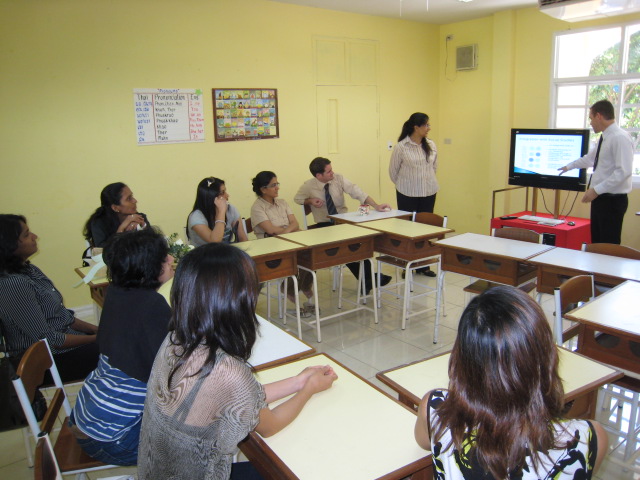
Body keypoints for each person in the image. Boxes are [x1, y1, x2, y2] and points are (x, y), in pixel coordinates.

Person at [138, 243, 337, 480]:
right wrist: (309, 390)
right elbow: (270, 425)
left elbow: (230, 398)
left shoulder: (176, 339)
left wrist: (298, 381)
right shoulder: (228, 371)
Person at [414, 286, 608, 479]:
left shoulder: (435, 410)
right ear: (545, 356)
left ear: (461, 358)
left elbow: (423, 442)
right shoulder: (588, 439)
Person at [69, 228, 173, 465]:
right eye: (164, 256)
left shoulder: (117, 292)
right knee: (205, 438)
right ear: (149, 265)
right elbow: (170, 377)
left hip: (86, 417)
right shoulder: (151, 305)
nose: (170, 260)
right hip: (114, 439)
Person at [0, 214, 99, 382]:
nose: (35, 237)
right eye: (26, 235)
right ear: (9, 246)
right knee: (124, 351)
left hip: (62, 346)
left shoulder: (28, 270)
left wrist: (98, 331)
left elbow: (64, 317)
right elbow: (50, 340)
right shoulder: (13, 284)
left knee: (124, 341)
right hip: (45, 361)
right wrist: (97, 339)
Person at [294, 157, 392, 294]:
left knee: (359, 243)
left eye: (332, 170)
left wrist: (376, 205)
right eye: (328, 172)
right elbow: (297, 199)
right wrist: (310, 200)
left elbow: (358, 192)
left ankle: (367, 280)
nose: (332, 173)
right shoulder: (308, 186)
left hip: (343, 221)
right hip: (324, 225)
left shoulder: (338, 179)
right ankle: (368, 280)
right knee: (345, 246)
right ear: (318, 175)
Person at [559, 100, 633, 244]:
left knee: (607, 245)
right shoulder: (605, 137)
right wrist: (569, 166)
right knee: (597, 243)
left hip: (612, 200)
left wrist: (596, 190)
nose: (591, 123)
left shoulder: (619, 137)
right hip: (601, 199)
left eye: (591, 118)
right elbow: (591, 159)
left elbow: (623, 172)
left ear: (599, 116)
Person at [251, 171, 315, 316]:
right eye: (273, 185)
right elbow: (271, 230)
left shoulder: (283, 202)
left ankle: (302, 285)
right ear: (263, 189)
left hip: (289, 239)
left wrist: (286, 232)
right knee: (299, 255)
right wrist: (288, 231)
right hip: (270, 245)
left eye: (277, 184)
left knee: (311, 252)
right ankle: (290, 289)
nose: (277, 187)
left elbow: (295, 222)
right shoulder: (257, 207)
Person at [389, 112, 439, 276]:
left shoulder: (431, 144)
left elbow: (434, 167)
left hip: (428, 191)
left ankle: (423, 265)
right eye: (425, 125)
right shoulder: (401, 147)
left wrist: (426, 181)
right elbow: (393, 172)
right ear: (415, 127)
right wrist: (407, 184)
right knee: (408, 229)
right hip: (407, 192)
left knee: (424, 227)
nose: (428, 128)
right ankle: (407, 263)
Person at [84, 182, 150, 248]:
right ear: (115, 208)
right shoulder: (99, 223)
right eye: (129, 198)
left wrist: (143, 226)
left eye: (132, 196)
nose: (135, 201)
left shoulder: (139, 218)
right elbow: (103, 251)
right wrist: (123, 227)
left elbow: (152, 245)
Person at [187, 177, 248, 246]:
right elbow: (215, 242)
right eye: (222, 193)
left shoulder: (231, 209)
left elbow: (243, 239)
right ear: (211, 197)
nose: (227, 195)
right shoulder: (196, 217)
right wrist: (221, 212)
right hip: (205, 255)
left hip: (227, 253)